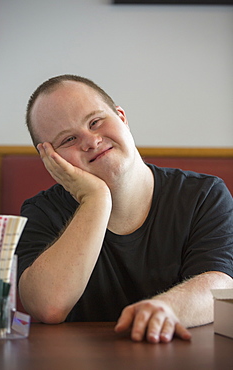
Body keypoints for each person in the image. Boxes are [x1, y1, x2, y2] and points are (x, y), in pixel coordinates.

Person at [16, 74, 233, 344]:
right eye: (68, 139)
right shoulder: (41, 211)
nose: (90, 141)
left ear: (121, 117)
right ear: (50, 159)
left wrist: (164, 309)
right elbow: (48, 307)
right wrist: (95, 199)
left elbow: (220, 285)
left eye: (95, 122)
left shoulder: (204, 194)